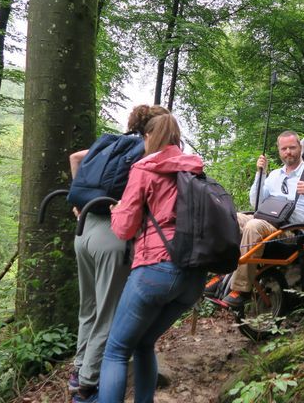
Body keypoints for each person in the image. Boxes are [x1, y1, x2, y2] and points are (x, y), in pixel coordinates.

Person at [97, 113, 207, 403]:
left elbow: (124, 228)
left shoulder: (145, 168)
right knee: (144, 343)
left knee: (116, 350)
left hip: (156, 271)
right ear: (176, 138)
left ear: (149, 138)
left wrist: (116, 210)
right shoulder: (194, 170)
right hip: (194, 278)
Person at [69, 104, 167, 403]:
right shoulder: (145, 155)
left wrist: (80, 202)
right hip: (113, 237)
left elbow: (75, 157)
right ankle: (87, 384)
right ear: (155, 129)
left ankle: (78, 369)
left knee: (89, 308)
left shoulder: (110, 144)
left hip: (84, 230)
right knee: (109, 313)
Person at [220, 131, 304, 308]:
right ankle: (221, 271)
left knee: (253, 226)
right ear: (279, 151)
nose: (288, 152)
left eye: (292, 147)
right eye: (284, 148)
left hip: (291, 231)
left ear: (300, 148)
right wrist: (260, 174)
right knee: (230, 217)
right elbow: (255, 202)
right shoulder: (275, 175)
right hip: (267, 220)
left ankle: (241, 290)